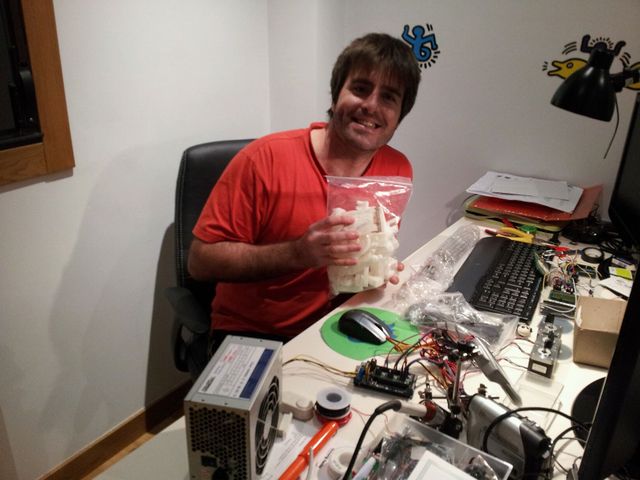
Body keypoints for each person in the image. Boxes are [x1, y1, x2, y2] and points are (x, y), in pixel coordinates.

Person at [188, 32, 421, 353]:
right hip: (256, 333)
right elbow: (200, 262)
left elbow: (362, 261)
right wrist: (296, 253)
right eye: (360, 89)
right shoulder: (264, 159)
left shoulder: (397, 169)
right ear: (335, 95)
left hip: (343, 323)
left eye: (389, 97)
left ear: (399, 116)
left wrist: (377, 269)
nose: (370, 106)